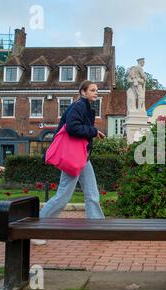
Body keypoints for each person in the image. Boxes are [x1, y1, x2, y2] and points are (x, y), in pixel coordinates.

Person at [32, 80, 106, 246]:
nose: (96, 92)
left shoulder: (86, 108)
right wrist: (93, 131)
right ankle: (36, 229)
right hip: (74, 158)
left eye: (97, 90)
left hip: (82, 157)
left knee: (92, 193)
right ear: (83, 92)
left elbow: (79, 128)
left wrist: (94, 132)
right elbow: (72, 128)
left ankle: (98, 228)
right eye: (93, 90)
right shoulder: (78, 106)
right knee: (63, 196)